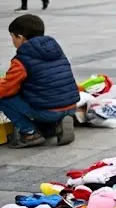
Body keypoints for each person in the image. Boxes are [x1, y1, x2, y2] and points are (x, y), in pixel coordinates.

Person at [0, 14, 78, 148]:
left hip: (48, 111)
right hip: (71, 106)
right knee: (41, 95)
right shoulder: (57, 51)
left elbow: (7, 89)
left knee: (4, 99)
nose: (12, 40)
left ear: (20, 37)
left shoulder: (22, 59)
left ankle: (29, 133)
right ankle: (53, 128)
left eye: (12, 36)